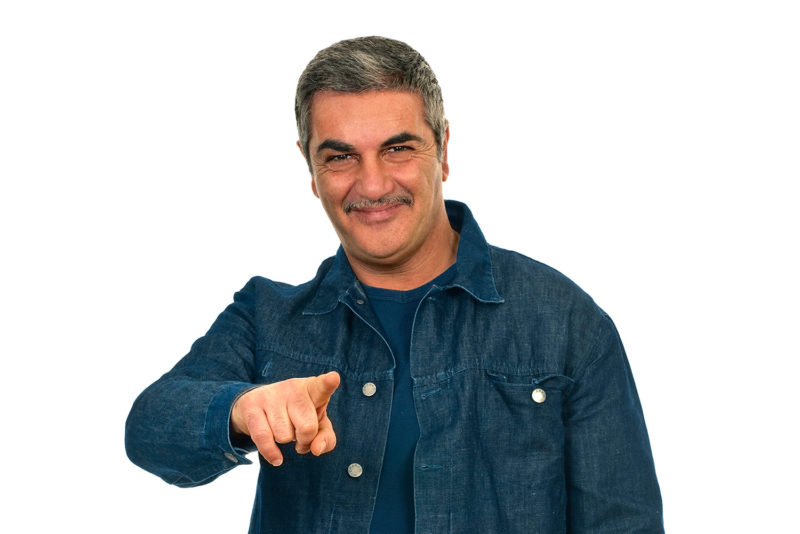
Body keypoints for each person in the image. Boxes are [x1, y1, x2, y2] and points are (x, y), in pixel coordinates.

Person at [125, 36, 663, 533]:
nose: (373, 184)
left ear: (443, 149)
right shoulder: (267, 317)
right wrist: (242, 410)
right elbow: (150, 429)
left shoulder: (564, 322)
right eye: (340, 157)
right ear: (310, 169)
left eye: (398, 148)